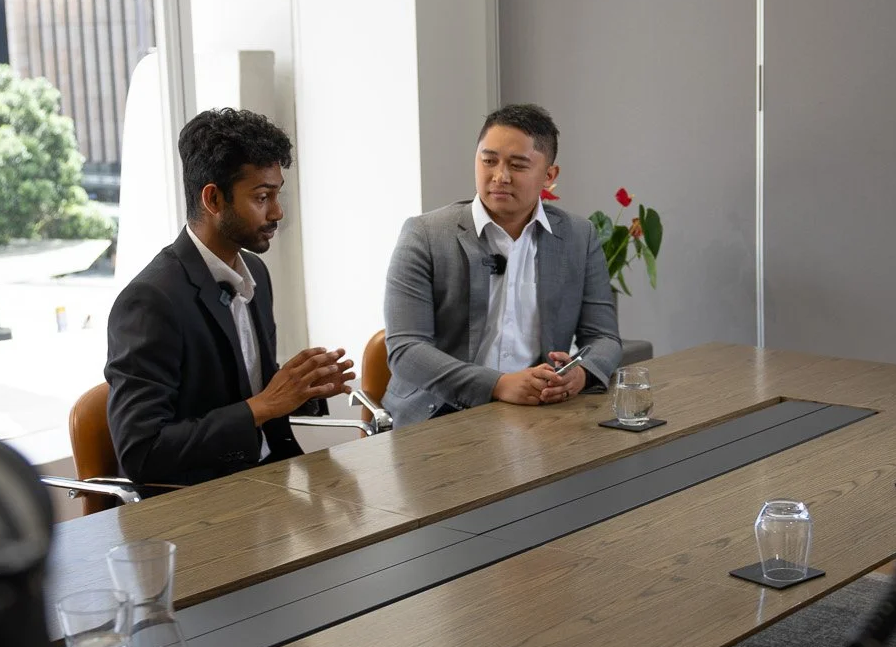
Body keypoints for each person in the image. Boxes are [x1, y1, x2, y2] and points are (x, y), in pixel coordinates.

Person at [106, 108, 354, 490]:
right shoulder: (149, 301)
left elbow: (247, 388)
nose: (277, 211)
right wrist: (263, 406)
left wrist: (303, 389)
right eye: (262, 197)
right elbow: (143, 452)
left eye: (277, 193)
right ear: (213, 199)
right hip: (200, 506)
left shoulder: (255, 271)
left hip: (269, 482)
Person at [382, 103, 622, 427]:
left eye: (518, 165)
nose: (500, 177)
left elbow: (604, 338)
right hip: (440, 415)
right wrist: (498, 384)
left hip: (538, 415)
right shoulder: (425, 235)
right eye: (489, 160)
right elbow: (405, 350)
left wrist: (579, 374)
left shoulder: (579, 237)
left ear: (550, 176)